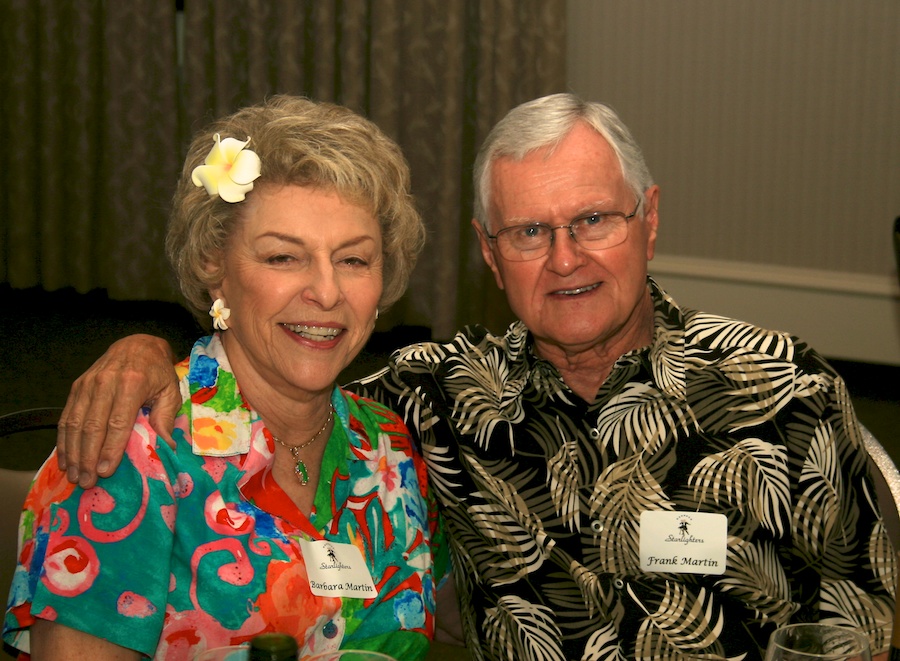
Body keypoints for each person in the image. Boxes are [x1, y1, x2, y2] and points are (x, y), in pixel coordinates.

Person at [49, 93, 896, 660]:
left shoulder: (781, 390)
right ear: (491, 256)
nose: (565, 259)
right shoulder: (435, 403)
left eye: (594, 219)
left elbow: (869, 621)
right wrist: (143, 352)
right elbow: (271, 376)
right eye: (528, 232)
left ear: (650, 221)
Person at [2, 95, 451, 660]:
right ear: (214, 267)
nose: (328, 291)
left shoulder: (389, 449)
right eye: (283, 258)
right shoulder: (131, 452)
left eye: (354, 260)